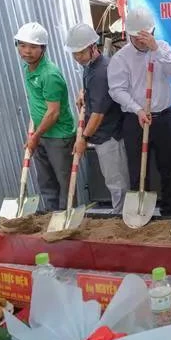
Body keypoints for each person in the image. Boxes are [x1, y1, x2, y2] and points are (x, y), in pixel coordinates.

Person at [108, 7, 171, 217]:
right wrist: (137, 109)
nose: (141, 41)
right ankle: (141, 214)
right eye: (136, 37)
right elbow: (117, 90)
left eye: (145, 36)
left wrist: (156, 49)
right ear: (128, 34)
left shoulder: (163, 48)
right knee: (138, 170)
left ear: (153, 31)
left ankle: (169, 212)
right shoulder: (121, 58)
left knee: (168, 167)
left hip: (163, 117)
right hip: (135, 119)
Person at [65, 23, 129, 214]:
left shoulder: (102, 71)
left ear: (93, 47)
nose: (77, 57)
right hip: (102, 134)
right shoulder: (90, 66)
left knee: (116, 180)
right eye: (74, 53)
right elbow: (94, 95)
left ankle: (120, 216)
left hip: (109, 134)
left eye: (80, 53)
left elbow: (99, 114)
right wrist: (84, 92)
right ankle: (119, 212)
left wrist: (83, 138)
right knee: (113, 179)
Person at [15, 22, 76, 211]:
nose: (26, 51)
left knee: (65, 184)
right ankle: (51, 217)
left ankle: (68, 223)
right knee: (46, 181)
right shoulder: (29, 69)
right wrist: (34, 134)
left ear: (43, 48)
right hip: (41, 134)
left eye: (33, 47)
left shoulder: (49, 74)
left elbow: (53, 113)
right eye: (22, 45)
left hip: (59, 136)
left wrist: (35, 136)